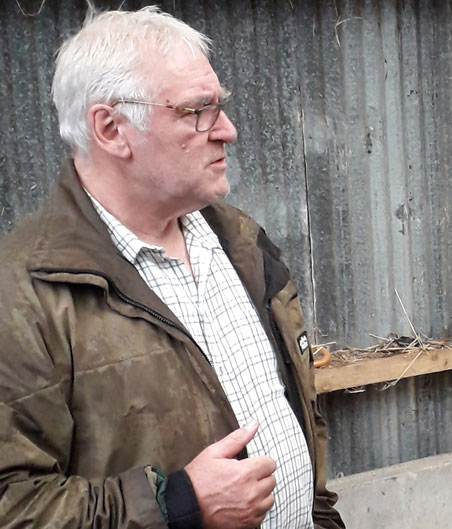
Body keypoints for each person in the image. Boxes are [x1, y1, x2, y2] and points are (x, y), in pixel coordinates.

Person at [0, 7, 344, 529]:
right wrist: (178, 504)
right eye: (196, 111)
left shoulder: (241, 242)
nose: (227, 130)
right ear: (112, 129)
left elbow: (298, 416)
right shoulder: (25, 293)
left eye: (219, 107)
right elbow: (13, 503)